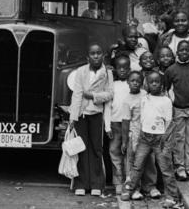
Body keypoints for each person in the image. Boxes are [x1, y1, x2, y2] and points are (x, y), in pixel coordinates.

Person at [123, 71, 178, 208]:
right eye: (151, 82)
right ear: (146, 84)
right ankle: (130, 189)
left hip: (160, 139)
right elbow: (142, 118)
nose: (154, 84)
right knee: (137, 165)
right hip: (144, 137)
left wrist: (166, 143)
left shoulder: (166, 101)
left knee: (165, 168)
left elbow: (170, 123)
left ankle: (172, 196)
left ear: (161, 84)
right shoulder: (144, 99)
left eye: (157, 82)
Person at [69, 44, 114, 196]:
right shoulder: (81, 71)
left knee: (96, 148)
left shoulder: (107, 73)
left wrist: (94, 96)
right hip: (81, 114)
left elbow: (110, 94)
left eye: (98, 53)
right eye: (92, 53)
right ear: (88, 57)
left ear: (103, 56)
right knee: (81, 148)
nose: (96, 56)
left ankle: (96, 184)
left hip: (96, 114)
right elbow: (77, 94)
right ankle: (81, 183)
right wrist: (72, 117)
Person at [163, 40, 189, 181]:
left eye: (187, 50)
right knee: (179, 137)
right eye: (182, 50)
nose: (184, 52)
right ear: (177, 52)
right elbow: (167, 89)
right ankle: (179, 166)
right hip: (178, 108)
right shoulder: (171, 70)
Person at [107, 55, 132, 194]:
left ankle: (129, 181)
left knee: (129, 152)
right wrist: (107, 125)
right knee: (115, 152)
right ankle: (118, 181)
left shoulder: (132, 83)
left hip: (129, 124)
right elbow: (108, 106)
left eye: (125, 67)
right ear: (115, 69)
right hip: (115, 123)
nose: (122, 70)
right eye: (119, 68)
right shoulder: (112, 85)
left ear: (130, 69)